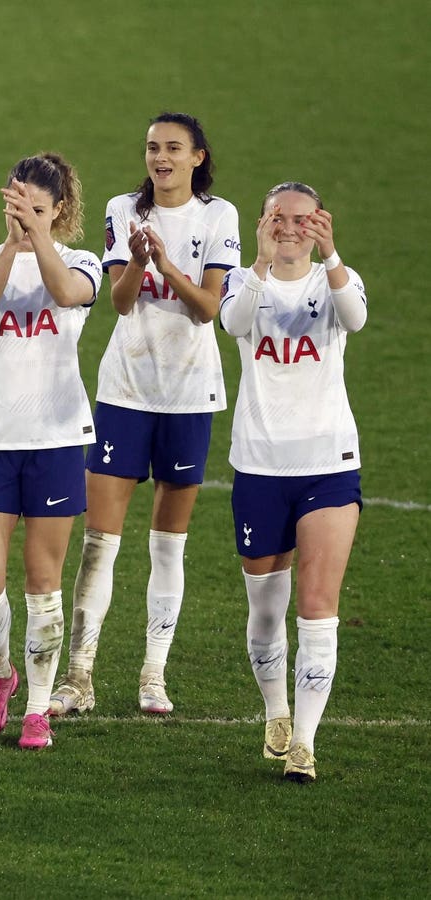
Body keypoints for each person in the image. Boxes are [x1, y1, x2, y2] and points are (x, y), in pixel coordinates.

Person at [49, 113, 241, 717]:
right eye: (153, 148)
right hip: (125, 391)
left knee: (168, 546)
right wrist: (137, 260)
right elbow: (121, 302)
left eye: (173, 149)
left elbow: (209, 307)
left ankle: (153, 674)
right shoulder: (121, 209)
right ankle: (79, 676)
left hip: (188, 396)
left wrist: (166, 263)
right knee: (100, 541)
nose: (160, 158)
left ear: (198, 157)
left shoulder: (219, 217)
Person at [219, 182, 365, 783]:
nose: (289, 227)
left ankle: (304, 742)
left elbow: (355, 316)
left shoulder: (338, 281)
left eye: (302, 219)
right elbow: (234, 323)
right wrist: (256, 262)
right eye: (278, 217)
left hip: (328, 464)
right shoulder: (241, 281)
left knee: (317, 608)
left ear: (321, 225)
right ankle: (276, 713)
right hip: (259, 466)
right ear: (261, 223)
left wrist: (331, 257)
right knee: (265, 611)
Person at [0, 154, 101, 750]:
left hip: (57, 441)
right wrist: (13, 246)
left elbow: (67, 294)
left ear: (58, 210)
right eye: (18, 209)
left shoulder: (81, 262)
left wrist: (39, 239)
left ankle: (37, 710)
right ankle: (1, 677)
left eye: (39, 210)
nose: (26, 219)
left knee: (43, 583)